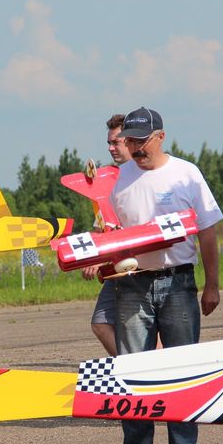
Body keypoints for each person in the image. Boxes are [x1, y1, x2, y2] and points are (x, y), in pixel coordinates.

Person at [110, 106, 223, 444]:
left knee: (183, 369)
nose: (136, 148)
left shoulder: (187, 174)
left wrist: (212, 284)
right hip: (132, 283)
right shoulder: (118, 179)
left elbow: (207, 231)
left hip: (178, 281)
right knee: (132, 369)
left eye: (141, 141)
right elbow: (110, 232)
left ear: (160, 137)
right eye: (130, 141)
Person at [84, 114, 132, 356]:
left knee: (144, 329)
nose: (111, 148)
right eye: (109, 143)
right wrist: (92, 257)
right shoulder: (109, 181)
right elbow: (101, 228)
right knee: (101, 323)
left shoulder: (142, 177)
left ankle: (153, 375)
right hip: (114, 271)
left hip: (139, 267)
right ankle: (130, 369)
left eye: (116, 142)